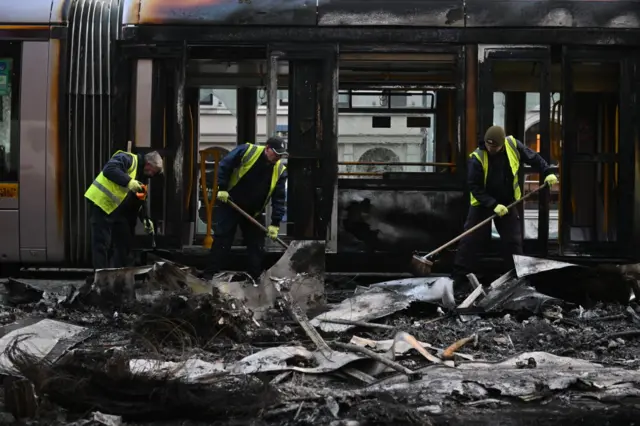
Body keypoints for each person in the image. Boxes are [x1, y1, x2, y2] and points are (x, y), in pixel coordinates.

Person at [452, 125, 558, 287]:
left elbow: (533, 158)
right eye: (488, 145)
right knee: (470, 240)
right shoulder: (477, 158)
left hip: (508, 202)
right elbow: (475, 187)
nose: (491, 149)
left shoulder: (513, 145)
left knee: (513, 242)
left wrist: (547, 171)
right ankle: (458, 280)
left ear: (502, 143)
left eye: (494, 146)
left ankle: (517, 280)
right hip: (483, 204)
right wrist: (493, 205)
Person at [201, 137, 288, 281]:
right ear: (267, 148)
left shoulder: (280, 170)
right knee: (223, 240)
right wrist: (222, 188)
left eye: (281, 155)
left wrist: (275, 223)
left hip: (253, 212)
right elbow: (225, 165)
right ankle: (209, 275)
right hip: (231, 203)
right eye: (276, 153)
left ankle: (255, 279)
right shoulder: (247, 151)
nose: (278, 157)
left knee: (256, 246)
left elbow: (279, 198)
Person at [85, 150, 164, 269]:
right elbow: (109, 169)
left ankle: (118, 276)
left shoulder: (141, 175)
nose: (152, 175)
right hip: (100, 203)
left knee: (123, 243)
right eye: (154, 171)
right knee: (102, 244)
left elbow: (140, 200)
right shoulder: (127, 159)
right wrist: (129, 182)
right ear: (148, 164)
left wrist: (145, 219)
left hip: (116, 210)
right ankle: (102, 279)